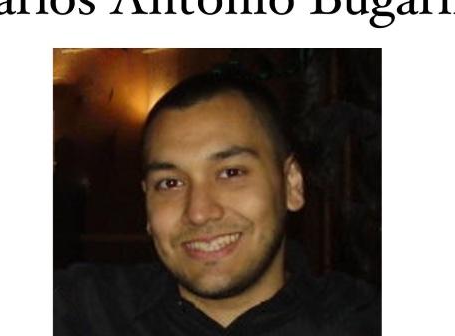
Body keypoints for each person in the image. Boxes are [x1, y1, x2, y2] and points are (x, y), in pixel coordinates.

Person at [54, 71, 380, 335]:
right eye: (170, 183)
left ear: (292, 185)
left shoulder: (364, 321)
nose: (199, 212)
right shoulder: (81, 311)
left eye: (230, 173)